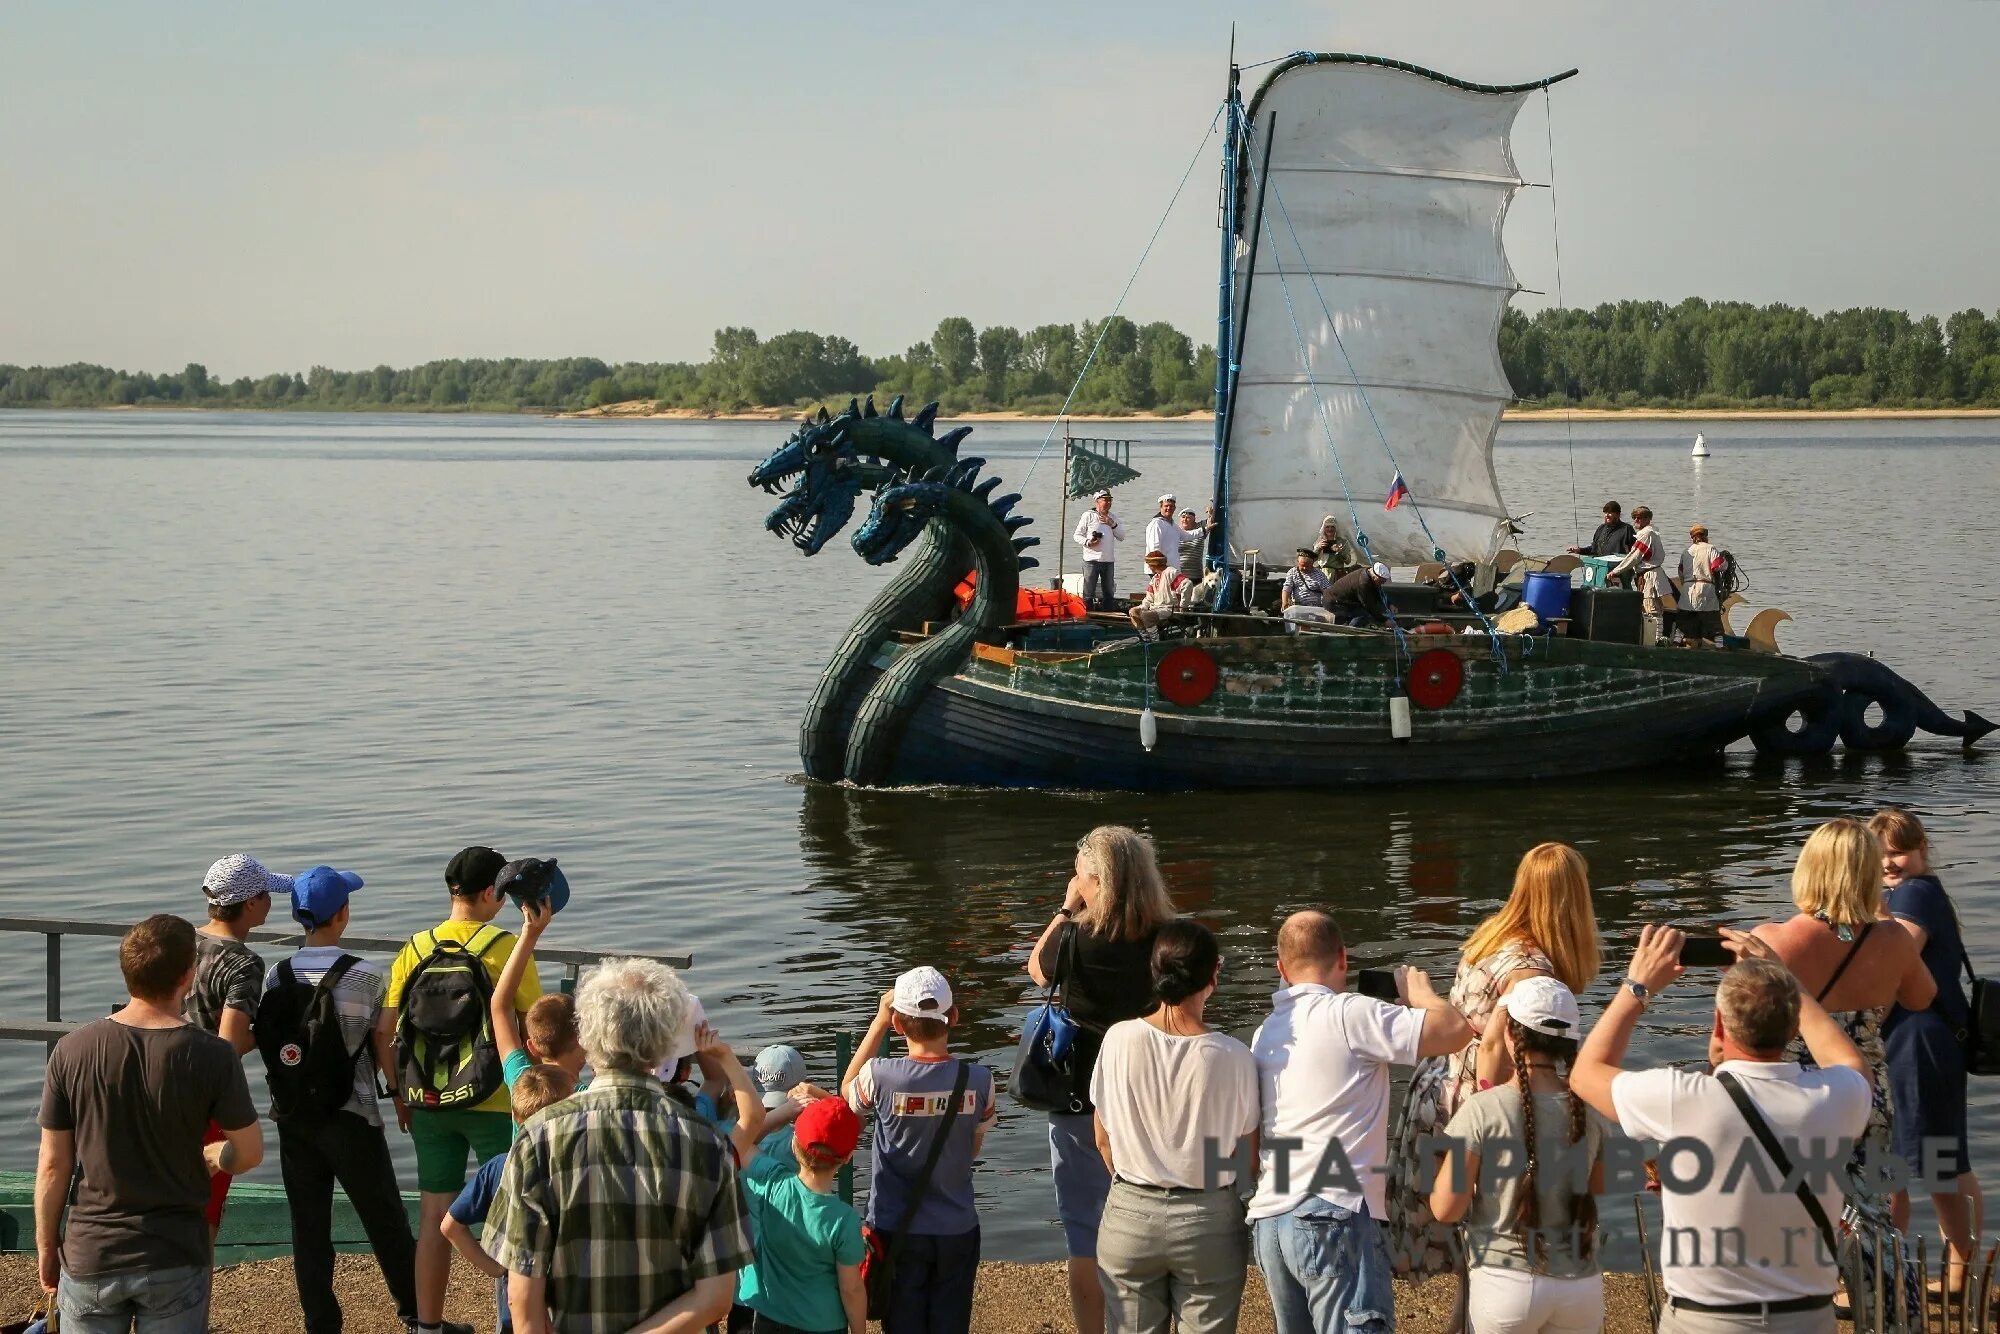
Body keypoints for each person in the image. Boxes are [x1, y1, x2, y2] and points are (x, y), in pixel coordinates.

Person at [1572, 928, 1870, 1334]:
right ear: (1793, 1024)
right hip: (1807, 1320)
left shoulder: (1682, 1100)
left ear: (1718, 1026)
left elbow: (1586, 1073)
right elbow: (1850, 1062)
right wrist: (1786, 981)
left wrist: (1637, 985)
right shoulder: (1837, 1097)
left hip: (1706, 1322)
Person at [485, 957, 754, 1334]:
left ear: (586, 1036)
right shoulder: (708, 1144)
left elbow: (523, 1302)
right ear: (664, 1045)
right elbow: (715, 1299)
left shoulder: (537, 1137)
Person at [37, 915, 264, 1331]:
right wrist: (216, 1153)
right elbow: (248, 1153)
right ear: (187, 976)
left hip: (92, 1251)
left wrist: (48, 1246)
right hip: (174, 1254)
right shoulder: (212, 1055)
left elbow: (54, 1166)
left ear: (127, 973)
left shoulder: (70, 1051)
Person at [1250, 912, 1474, 1334]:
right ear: (1343, 958)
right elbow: (1456, 1031)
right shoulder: (1350, 1013)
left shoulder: (1267, 1031)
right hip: (1334, 1214)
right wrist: (1421, 995)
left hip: (1273, 1222)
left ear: (1280, 968)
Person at [1391, 843, 1600, 1285]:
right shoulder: (1531, 971)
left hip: (1436, 1083)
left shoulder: (1494, 934)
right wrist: (1491, 1105)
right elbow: (1492, 1046)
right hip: (1471, 1095)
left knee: (1457, 1222)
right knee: (1494, 1219)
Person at [378, 844, 543, 1334]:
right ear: (492, 892)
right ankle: (510, 1322)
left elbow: (385, 1028)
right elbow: (530, 1027)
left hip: (427, 1100)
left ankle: (426, 1325)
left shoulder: (415, 947)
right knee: (511, 1214)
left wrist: (399, 1093)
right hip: (495, 1100)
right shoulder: (503, 947)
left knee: (434, 1214)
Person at [1026, 826, 1179, 1334]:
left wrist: (1066, 907)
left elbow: (1038, 971)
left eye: (1083, 876)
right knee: (1150, 1218)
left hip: (1078, 1095)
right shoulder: (1166, 939)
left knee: (1083, 1232)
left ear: (1097, 881)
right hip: (1148, 1097)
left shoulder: (1075, 936)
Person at [262, 865, 421, 1334]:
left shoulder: (278, 974)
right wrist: (396, 1098)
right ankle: (417, 1315)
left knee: (308, 1226)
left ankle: (321, 1322)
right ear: (343, 913)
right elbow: (381, 1043)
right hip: (351, 1113)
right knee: (385, 1218)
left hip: (293, 1117)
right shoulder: (368, 976)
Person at [1750, 821, 1934, 1225]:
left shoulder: (1769, 940)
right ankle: (1877, 1283)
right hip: (1865, 1092)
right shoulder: (1893, 940)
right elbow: (1922, 998)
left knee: (1795, 1211)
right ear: (1869, 872)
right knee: (1869, 1214)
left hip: (1791, 1090)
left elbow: (1738, 1030)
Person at [1091, 920, 1259, 1334]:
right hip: (1208, 1217)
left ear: (1155, 970)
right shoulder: (1234, 1056)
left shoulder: (1118, 1039)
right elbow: (1248, 1160)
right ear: (1213, 976)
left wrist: (1133, 1187)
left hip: (1130, 1212)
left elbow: (1102, 1138)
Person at [1429, 977, 1606, 1334]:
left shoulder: (1482, 1110)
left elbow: (1447, 1208)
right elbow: (1597, 1189)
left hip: (1505, 1284)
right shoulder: (1591, 1111)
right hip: (1580, 1285)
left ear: (1510, 1033)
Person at [841, 966, 996, 1334]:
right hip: (957, 1228)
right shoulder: (979, 1080)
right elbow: (972, 1147)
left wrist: (877, 1021)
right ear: (953, 1017)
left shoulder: (880, 1075)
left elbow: (846, 1092)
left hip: (895, 1230)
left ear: (898, 1025)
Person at [1871, 808, 1986, 1300]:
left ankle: (1961, 1273)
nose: (1889, 863)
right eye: (1879, 856)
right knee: (1898, 1157)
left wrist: (1859, 1020)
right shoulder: (1899, 896)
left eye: (1898, 851)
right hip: (1910, 1039)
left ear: (1921, 849)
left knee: (1938, 1159)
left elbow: (1895, 965)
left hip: (1921, 1038)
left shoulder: (1915, 893)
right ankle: (1910, 1266)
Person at [187, 853, 283, 1237]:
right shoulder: (243, 963)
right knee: (202, 1215)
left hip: (156, 1081)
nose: (271, 902)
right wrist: (270, 1030)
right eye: (267, 894)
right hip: (206, 1095)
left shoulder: (181, 940)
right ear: (250, 903)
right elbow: (229, 1043)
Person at [441, 1065, 577, 1334]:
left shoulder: (499, 1167)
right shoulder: (573, 1169)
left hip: (515, 1299)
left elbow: (450, 1227)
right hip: (565, 1299)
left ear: (515, 1117)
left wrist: (494, 1268)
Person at [737, 1094, 868, 1334]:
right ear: (848, 1158)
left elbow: (739, 1143)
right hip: (821, 1325)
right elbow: (851, 1289)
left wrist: (783, 1113)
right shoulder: (844, 1219)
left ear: (794, 1144)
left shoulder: (771, 1181)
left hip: (769, 1316)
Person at [490, 897, 587, 1090]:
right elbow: (500, 1007)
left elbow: (499, 1006)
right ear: (584, 1041)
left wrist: (529, 934)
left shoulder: (521, 1082)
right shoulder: (587, 1097)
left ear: (532, 1047)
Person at [1605, 505, 1674, 638]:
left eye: (1640, 518)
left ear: (1648, 519)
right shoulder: (1650, 532)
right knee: (1654, 608)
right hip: (1650, 574)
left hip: (1650, 575)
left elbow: (1635, 556)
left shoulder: (1646, 534)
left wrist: (1616, 571)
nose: (1636, 520)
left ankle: (1656, 639)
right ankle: (1656, 638)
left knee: (1651, 609)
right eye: (1634, 517)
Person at [1074, 490, 1125, 612]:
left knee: (1108, 592)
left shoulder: (1112, 517)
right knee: (1088, 592)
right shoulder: (1088, 515)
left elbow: (1121, 536)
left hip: (1108, 560)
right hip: (1091, 560)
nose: (1108, 503)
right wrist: (1088, 542)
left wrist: (1112, 524)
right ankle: (1088, 615)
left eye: (1109, 500)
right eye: (1105, 500)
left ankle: (1108, 615)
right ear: (1097, 502)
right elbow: (1077, 535)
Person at [1565, 501, 1636, 588]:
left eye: (1610, 512)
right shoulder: (1601, 528)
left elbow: (1634, 552)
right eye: (1605, 512)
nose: (1607, 515)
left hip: (1618, 572)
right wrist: (1580, 550)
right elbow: (1594, 549)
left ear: (1618, 514)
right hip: (1599, 570)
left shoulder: (1627, 529)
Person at [1676, 524, 1725, 645]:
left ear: (1692, 537)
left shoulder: (1686, 551)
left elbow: (1680, 571)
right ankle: (1720, 645)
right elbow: (1718, 565)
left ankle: (1676, 642)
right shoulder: (1711, 548)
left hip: (1688, 587)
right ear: (1705, 536)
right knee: (1712, 618)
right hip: (1706, 586)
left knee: (1684, 617)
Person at [1129, 550, 1193, 639]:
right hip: (1156, 609)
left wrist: (1183, 607)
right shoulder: (1155, 578)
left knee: (1146, 616)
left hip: (1169, 609)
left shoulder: (1171, 572)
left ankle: (1155, 641)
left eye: (1149, 564)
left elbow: (1187, 584)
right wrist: (1142, 607)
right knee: (1133, 611)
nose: (1148, 567)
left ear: (1154, 564)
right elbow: (1149, 598)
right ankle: (1146, 638)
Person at [1324, 561, 1393, 627]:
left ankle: (1350, 625)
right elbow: (1369, 606)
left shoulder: (1368, 572)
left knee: (1366, 611)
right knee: (1364, 614)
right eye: (1382, 581)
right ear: (1376, 577)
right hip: (1334, 602)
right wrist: (1384, 620)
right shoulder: (1363, 583)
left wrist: (1389, 604)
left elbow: (1378, 592)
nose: (1383, 583)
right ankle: (1350, 631)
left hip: (1345, 600)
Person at [1144, 494, 1188, 574]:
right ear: (1161, 507)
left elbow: (1187, 536)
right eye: (1166, 506)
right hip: (1158, 569)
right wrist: (1159, 569)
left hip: (1171, 570)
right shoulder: (1156, 524)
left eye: (1171, 506)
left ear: (1174, 508)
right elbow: (1154, 548)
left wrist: (1205, 528)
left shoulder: (1173, 525)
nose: (1169, 508)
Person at [1279, 549, 1330, 614]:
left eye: (1308, 566)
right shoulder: (1293, 572)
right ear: (1298, 563)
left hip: (1315, 608)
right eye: (1302, 565)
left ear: (1312, 564)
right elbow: (1286, 589)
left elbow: (1328, 591)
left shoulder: (1319, 574)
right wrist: (1285, 602)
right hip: (1298, 607)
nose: (1305, 568)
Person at [1175, 509, 1213, 581]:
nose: (1185, 520)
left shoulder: (1200, 530)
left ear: (1194, 520)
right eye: (1183, 517)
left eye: (1188, 518)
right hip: (1178, 574)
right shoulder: (1175, 530)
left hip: (1195, 574)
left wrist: (1210, 513)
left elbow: (1212, 522)